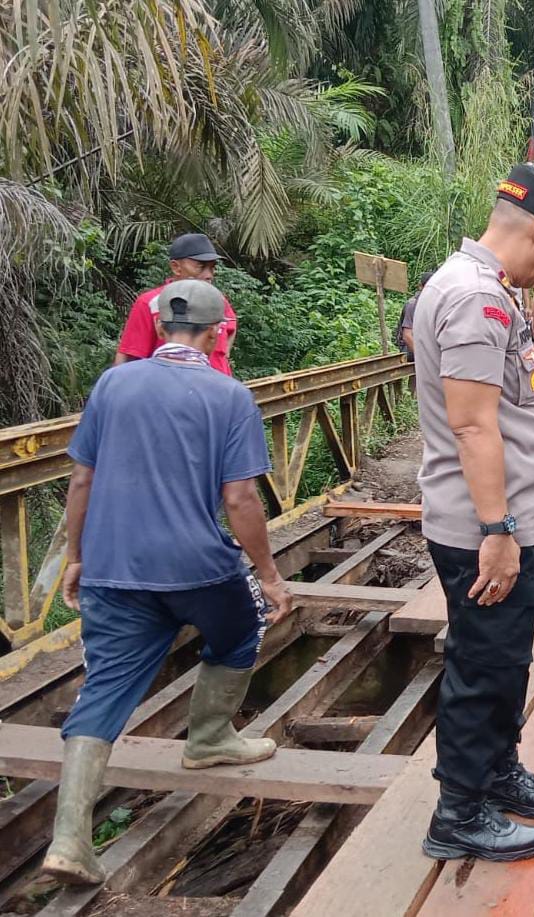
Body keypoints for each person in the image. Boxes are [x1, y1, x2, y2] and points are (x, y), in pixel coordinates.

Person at [41, 280, 293, 886]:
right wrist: (269, 574)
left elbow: (81, 482)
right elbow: (239, 497)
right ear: (215, 334)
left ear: (158, 330)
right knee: (241, 625)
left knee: (103, 686)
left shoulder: (112, 386)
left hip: (112, 568)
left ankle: (70, 840)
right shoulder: (228, 396)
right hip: (196, 567)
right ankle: (208, 737)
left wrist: (77, 557)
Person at [412, 164, 534, 863]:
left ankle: (496, 772)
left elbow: (505, 396)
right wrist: (498, 532)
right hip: (491, 530)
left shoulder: (488, 294)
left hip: (516, 522)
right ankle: (458, 811)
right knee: (481, 663)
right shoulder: (475, 297)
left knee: (506, 658)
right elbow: (474, 425)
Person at [115, 233, 237, 376]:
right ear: (176, 267)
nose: (209, 274)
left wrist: (224, 356)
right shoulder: (151, 303)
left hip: (218, 392)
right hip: (169, 394)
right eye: (201, 266)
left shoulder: (218, 300)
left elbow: (231, 326)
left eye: (212, 268)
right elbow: (128, 357)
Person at [395, 270, 435, 361]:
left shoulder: (432, 303)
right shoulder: (412, 305)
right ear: (420, 287)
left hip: (424, 344)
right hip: (409, 347)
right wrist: (422, 357)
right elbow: (407, 336)